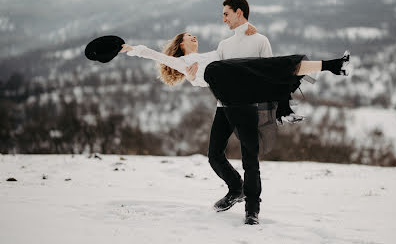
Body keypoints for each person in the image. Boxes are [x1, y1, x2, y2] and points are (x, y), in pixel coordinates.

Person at [120, 31, 350, 225]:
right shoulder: (183, 63)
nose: (194, 38)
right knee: (213, 156)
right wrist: (132, 48)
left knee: (250, 154)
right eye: (190, 37)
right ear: (181, 44)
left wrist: (248, 29)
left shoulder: (214, 54)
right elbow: (155, 55)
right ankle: (236, 187)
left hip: (243, 104)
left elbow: (236, 53)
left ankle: (252, 210)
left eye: (194, 36)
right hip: (224, 107)